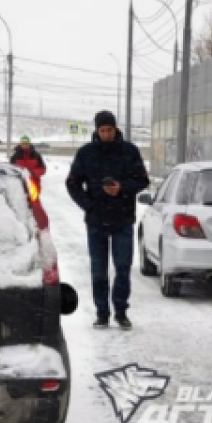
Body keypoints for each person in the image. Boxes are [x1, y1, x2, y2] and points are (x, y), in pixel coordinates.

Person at [66, 110, 149, 330]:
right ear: (96, 130)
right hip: (96, 221)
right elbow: (72, 183)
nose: (106, 134)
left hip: (122, 219)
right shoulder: (86, 153)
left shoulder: (129, 151)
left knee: (123, 268)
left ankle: (121, 312)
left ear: (115, 129)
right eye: (102, 130)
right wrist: (88, 204)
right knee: (98, 270)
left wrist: (122, 188)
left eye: (109, 129)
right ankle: (102, 313)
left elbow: (142, 180)